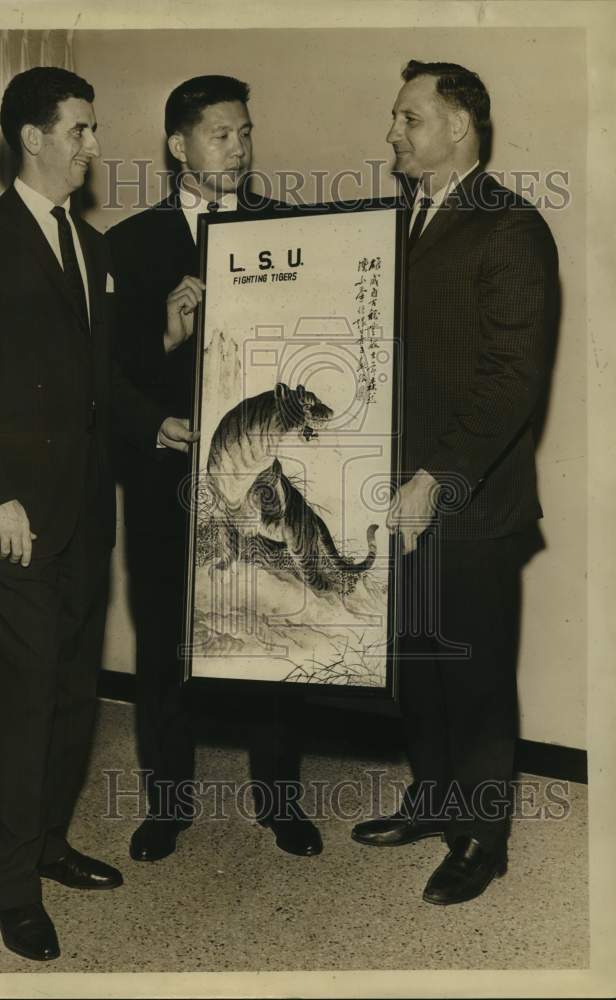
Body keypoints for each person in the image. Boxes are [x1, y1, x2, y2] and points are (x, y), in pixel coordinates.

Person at [0, 66, 195, 962]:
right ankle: (10, 890)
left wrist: (158, 417)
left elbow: (98, 383)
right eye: (78, 129)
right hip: (11, 516)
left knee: (75, 691)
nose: (92, 145)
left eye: (92, 127)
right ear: (32, 138)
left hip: (86, 513)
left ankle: (48, 846)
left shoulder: (96, 249)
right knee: (26, 697)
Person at [351, 61, 559, 905]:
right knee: (418, 664)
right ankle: (433, 799)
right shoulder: (398, 223)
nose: (392, 133)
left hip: (469, 504)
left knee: (471, 675)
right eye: (395, 118)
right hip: (395, 499)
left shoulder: (509, 226)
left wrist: (439, 475)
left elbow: (512, 375)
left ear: (459, 127)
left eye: (408, 117)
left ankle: (483, 837)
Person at [106, 75, 322, 862]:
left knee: (271, 627)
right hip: (166, 477)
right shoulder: (127, 245)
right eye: (221, 134)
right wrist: (166, 339)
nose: (239, 147)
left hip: (260, 480)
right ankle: (168, 804)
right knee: (166, 638)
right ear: (178, 147)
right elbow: (107, 373)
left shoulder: (293, 233)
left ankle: (281, 799)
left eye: (245, 132)